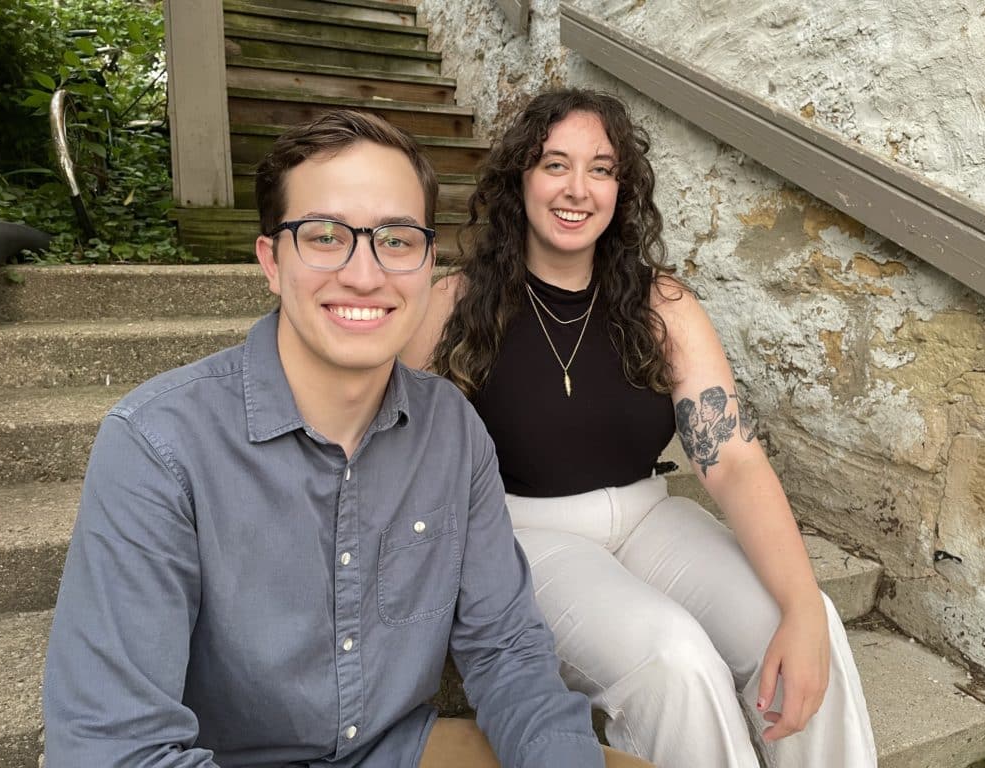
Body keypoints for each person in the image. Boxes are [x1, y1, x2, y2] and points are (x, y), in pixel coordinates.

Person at [43, 109, 651, 768]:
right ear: (272, 262)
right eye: (326, 236)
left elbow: (508, 651)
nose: (365, 275)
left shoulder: (452, 431)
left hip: (396, 751)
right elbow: (115, 748)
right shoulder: (158, 448)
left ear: (425, 262)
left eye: (396, 239)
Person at [403, 89, 879, 767]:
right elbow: (399, 449)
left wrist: (803, 603)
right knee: (675, 660)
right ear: (520, 179)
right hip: (523, 536)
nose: (577, 189)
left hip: (651, 518)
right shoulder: (452, 306)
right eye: (554, 164)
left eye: (600, 168)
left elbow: (734, 461)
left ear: (622, 190)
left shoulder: (662, 305)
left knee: (810, 625)